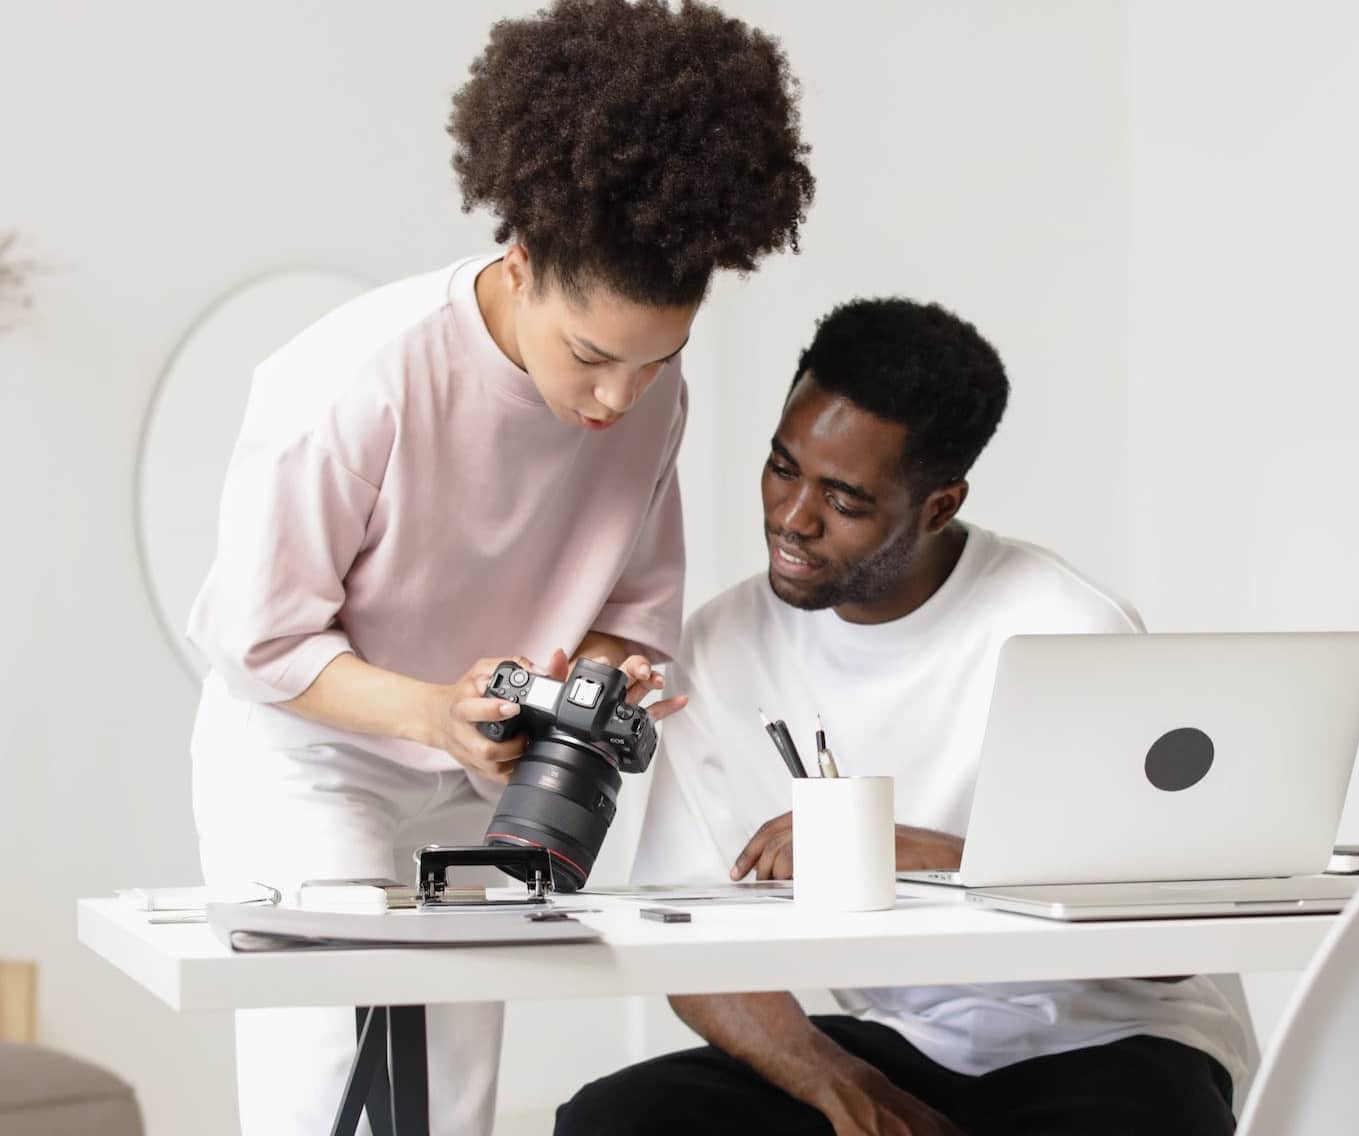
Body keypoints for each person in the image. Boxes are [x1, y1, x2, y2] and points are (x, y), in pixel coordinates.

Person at [186, 2, 814, 1132]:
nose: (619, 397)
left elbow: (629, 606)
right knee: (325, 1078)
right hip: (311, 757)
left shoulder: (649, 395)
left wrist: (611, 676)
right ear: (520, 264)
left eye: (656, 357)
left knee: (449, 1096)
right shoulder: (351, 383)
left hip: (483, 772)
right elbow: (259, 640)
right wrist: (433, 710)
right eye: (590, 355)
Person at [556, 298, 1249, 1136]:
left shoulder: (1068, 627)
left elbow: (1176, 949)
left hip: (1115, 1041)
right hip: (900, 1043)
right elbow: (690, 948)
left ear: (938, 505)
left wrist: (933, 860)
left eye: (845, 501)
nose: (792, 519)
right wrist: (840, 1086)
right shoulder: (721, 644)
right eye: (783, 469)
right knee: (615, 1122)